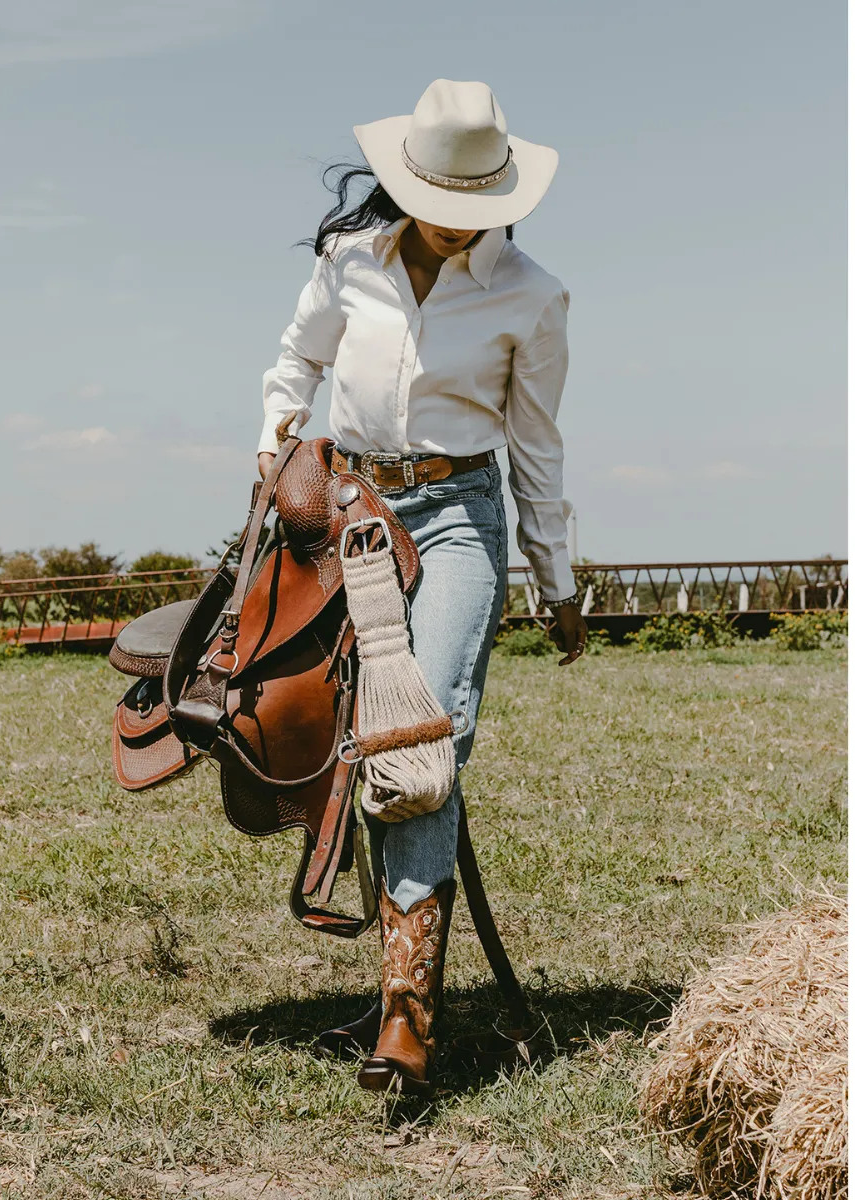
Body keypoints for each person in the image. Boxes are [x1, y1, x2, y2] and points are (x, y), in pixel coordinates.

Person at [257, 79, 588, 1095]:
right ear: (407, 183)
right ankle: (400, 977)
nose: (456, 221)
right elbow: (292, 366)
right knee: (354, 734)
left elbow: (535, 444)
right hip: (349, 520)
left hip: (457, 519)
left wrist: (557, 575)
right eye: (439, 197)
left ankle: (406, 1016)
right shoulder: (347, 261)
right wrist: (277, 462)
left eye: (475, 203)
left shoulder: (530, 293)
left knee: (421, 741)